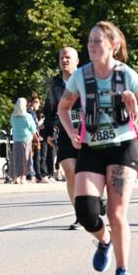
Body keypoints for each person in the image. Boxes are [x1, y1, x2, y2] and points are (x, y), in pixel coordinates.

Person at [59, 21, 138, 275]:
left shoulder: (126, 75)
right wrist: (71, 133)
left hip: (122, 146)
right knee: (85, 212)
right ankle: (104, 240)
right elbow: (63, 107)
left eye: (98, 41)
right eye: (90, 40)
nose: (91, 45)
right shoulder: (80, 76)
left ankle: (123, 270)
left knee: (116, 213)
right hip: (92, 147)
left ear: (112, 46)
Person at [43, 46, 83, 227]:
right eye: (61, 58)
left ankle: (96, 200)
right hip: (65, 135)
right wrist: (48, 133)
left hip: (88, 133)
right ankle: (81, 215)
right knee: (71, 173)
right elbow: (49, 111)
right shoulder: (55, 85)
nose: (64, 60)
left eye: (68, 57)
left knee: (88, 173)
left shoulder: (86, 80)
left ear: (77, 61)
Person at [10, 98, 37, 185]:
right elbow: (33, 129)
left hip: (16, 139)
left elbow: (12, 125)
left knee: (17, 158)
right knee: (25, 159)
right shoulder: (28, 116)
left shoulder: (13, 116)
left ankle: (17, 177)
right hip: (26, 139)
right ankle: (23, 177)